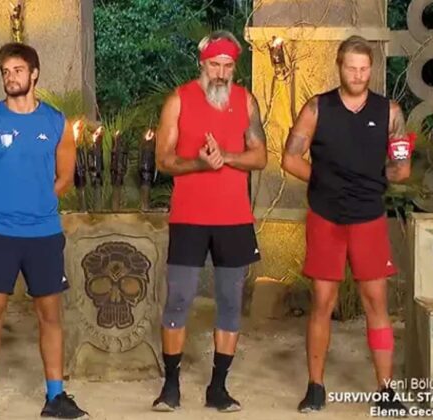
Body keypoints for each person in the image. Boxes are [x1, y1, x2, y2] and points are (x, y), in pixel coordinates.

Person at [281, 35, 414, 414]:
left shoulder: (389, 111)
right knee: (323, 302)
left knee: (376, 303)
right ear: (339, 67)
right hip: (326, 217)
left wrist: (386, 173)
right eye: (351, 68)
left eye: (364, 69)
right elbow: (290, 159)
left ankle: (386, 390)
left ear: (371, 69)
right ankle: (315, 387)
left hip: (368, 218)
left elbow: (401, 169)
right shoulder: (317, 107)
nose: (357, 75)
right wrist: (324, 181)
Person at [0, 42, 88, 420]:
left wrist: (37, 202)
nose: (10, 77)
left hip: (44, 234)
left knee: (50, 316)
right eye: (5, 71)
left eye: (17, 70)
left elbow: (65, 177)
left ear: (34, 74)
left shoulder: (56, 123)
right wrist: (2, 203)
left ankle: (56, 397)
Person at [151, 30, 268, 413]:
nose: (221, 73)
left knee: (230, 302)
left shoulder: (245, 100)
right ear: (202, 64)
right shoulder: (178, 100)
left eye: (228, 66)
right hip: (189, 217)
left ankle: (218, 388)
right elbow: (163, 160)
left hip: (234, 218)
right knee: (179, 298)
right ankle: (171, 386)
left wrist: (227, 158)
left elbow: (260, 157)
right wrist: (200, 164)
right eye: (215, 64)